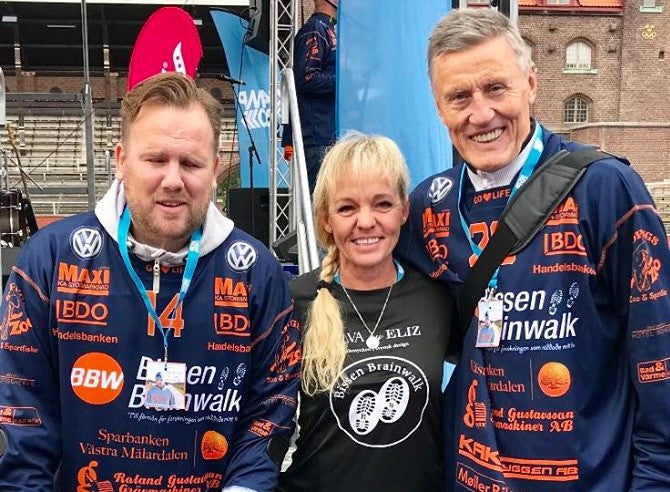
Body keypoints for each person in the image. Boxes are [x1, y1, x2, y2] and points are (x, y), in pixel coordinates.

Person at [396, 8, 670, 491]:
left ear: (531, 84)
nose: (481, 114)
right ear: (439, 109)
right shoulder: (428, 206)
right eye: (459, 97)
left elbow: (658, 356)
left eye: (495, 88)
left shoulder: (605, 189)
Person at [0, 72, 300, 492]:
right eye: (156, 160)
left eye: (190, 164)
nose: (173, 180)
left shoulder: (256, 271)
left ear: (215, 169)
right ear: (121, 160)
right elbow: (23, 417)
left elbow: (270, 407)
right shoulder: (50, 260)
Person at [277, 132, 456, 492]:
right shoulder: (296, 301)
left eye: (382, 204)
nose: (365, 221)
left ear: (403, 210)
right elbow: (263, 415)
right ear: (326, 219)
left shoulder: (438, 297)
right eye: (347, 208)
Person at [282, 0, 337, 193]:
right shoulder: (316, 29)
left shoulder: (331, 29)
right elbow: (307, 77)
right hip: (318, 137)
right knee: (321, 200)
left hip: (331, 134)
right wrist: (343, 80)